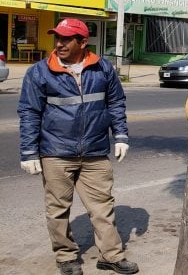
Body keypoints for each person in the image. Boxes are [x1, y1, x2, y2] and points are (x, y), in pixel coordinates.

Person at [17, 18, 139, 275]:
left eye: (66, 39)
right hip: (56, 152)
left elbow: (116, 103)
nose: (59, 43)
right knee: (58, 210)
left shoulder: (103, 69)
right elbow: (29, 112)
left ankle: (111, 255)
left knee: (102, 206)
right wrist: (29, 151)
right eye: (57, 38)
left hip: (94, 152)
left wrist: (121, 136)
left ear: (83, 42)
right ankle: (66, 257)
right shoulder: (39, 72)